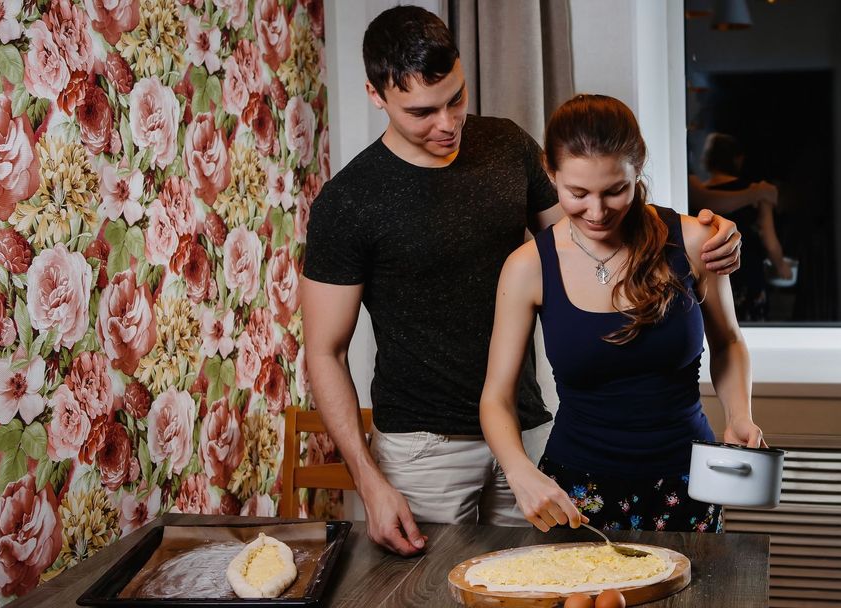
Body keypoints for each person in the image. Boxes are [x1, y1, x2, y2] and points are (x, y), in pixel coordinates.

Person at [300, 6, 743, 556]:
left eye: (456, 98)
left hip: (528, 428)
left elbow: (594, 234)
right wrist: (369, 482)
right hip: (425, 447)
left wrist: (698, 233)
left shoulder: (507, 145)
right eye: (422, 111)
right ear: (375, 95)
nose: (447, 123)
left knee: (540, 586)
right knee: (433, 591)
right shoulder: (348, 202)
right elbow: (324, 351)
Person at [480, 94, 764, 534]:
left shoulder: (694, 241)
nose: (597, 212)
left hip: (688, 479)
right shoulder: (527, 267)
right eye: (577, 193)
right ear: (550, 173)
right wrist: (519, 471)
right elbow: (496, 398)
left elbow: (727, 341)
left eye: (616, 190)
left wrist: (740, 414)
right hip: (576, 490)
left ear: (638, 168)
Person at [691, 133, 792, 322]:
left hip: (708, 272)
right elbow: (769, 239)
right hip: (748, 271)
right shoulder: (757, 193)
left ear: (707, 161)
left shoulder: (698, 195)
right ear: (738, 159)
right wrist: (781, 266)